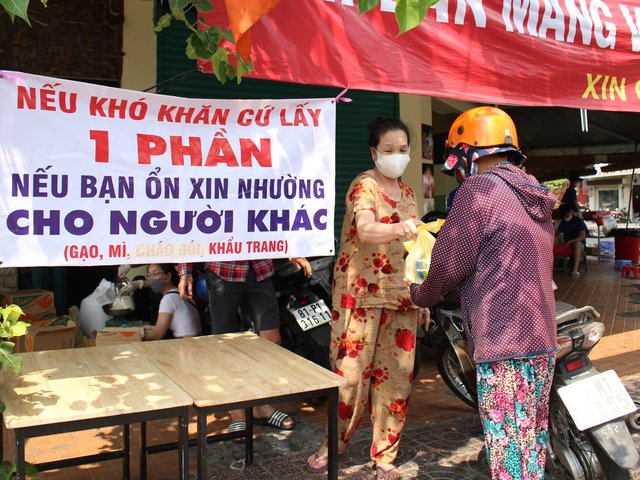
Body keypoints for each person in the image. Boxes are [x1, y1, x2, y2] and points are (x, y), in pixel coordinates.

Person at [410, 106, 557, 480]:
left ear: (468, 153)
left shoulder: (478, 191)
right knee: (530, 442)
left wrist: (420, 294)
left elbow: (448, 264)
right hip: (542, 338)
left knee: (508, 451)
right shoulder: (534, 193)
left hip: (503, 340)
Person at [306, 117, 423, 480]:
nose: (396, 155)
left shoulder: (409, 193)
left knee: (397, 381)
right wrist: (400, 227)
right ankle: (333, 444)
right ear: (375, 152)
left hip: (401, 297)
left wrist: (423, 297)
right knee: (350, 378)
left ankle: (385, 455)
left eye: (402, 150)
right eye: (389, 149)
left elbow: (418, 250)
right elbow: (366, 229)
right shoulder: (364, 185)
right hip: (359, 295)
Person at [177, 256, 312, 437]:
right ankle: (237, 412)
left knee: (271, 340)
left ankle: (260, 405)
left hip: (259, 267)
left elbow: (280, 233)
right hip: (223, 270)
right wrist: (185, 272)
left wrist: (291, 250)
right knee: (224, 345)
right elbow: (189, 237)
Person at [142, 263, 201, 341]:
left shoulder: (169, 299)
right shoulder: (182, 293)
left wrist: (137, 338)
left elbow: (157, 335)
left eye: (155, 273)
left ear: (168, 276)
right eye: (149, 275)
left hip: (185, 343)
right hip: (195, 340)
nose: (151, 279)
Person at [556, 203, 588, 277]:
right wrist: (559, 238)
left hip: (578, 243)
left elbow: (583, 236)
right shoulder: (563, 221)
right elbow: (557, 233)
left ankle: (575, 270)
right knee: (552, 241)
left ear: (570, 212)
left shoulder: (578, 221)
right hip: (567, 242)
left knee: (577, 244)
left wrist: (570, 241)